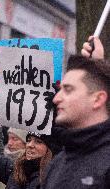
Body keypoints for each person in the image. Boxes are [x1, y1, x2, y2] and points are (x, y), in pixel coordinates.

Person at [41, 55, 110, 188]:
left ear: (98, 99)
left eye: (68, 90)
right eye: (60, 89)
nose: (56, 99)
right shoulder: (57, 163)